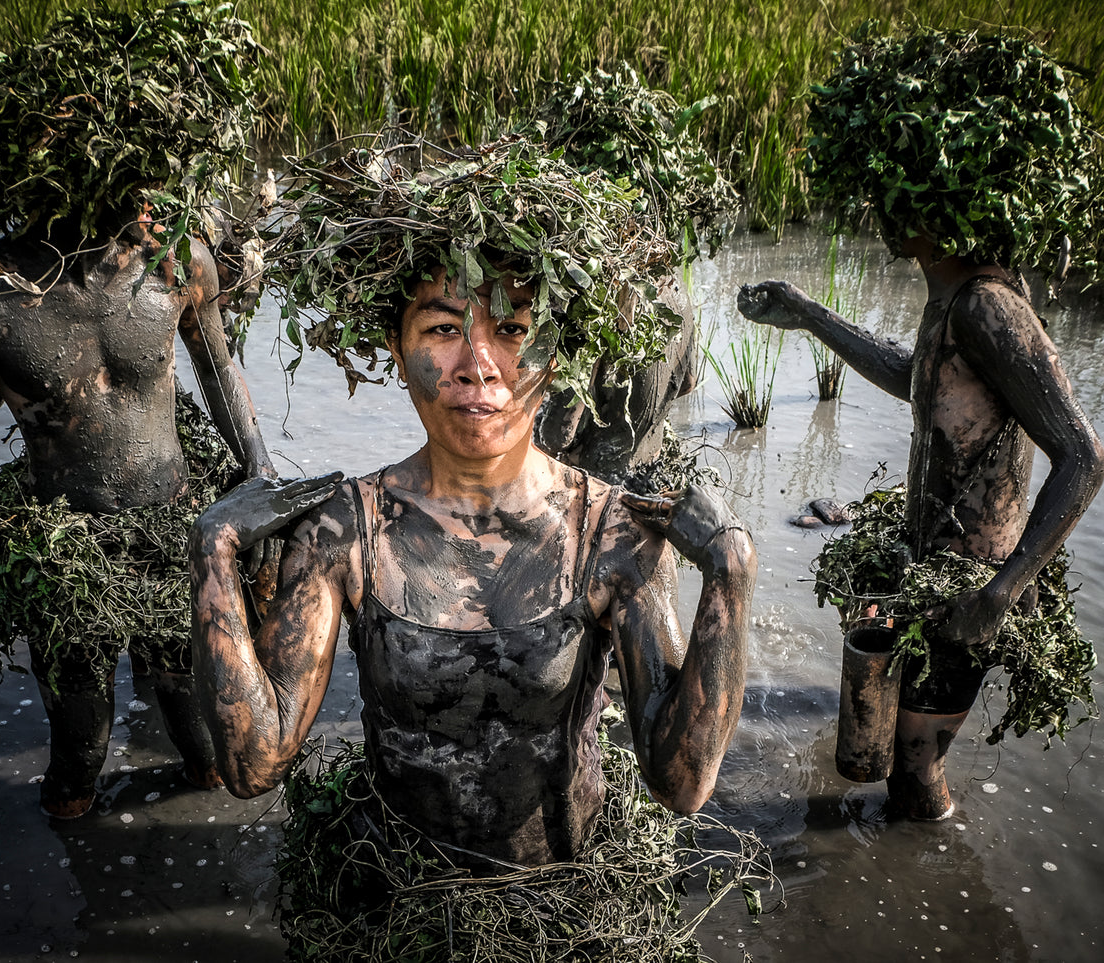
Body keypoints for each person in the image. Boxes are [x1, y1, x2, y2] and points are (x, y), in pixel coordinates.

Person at [189, 138, 757, 868]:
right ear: (397, 349)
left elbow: (680, 783)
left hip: (560, 904)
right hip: (397, 894)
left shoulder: (612, 532)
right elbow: (253, 765)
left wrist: (731, 571)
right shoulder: (345, 529)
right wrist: (211, 552)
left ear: (552, 357)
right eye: (443, 329)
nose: (478, 365)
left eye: (511, 330)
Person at [738, 28, 1104, 820]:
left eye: (885, 190)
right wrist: (807, 316)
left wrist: (1001, 594)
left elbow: (1083, 457)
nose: (873, 205)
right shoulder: (950, 298)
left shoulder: (987, 306)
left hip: (966, 587)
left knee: (913, 776)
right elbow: (915, 378)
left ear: (926, 197)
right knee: (876, 753)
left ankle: (942, 901)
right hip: (925, 571)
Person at [0, 4, 272, 818]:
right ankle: (62, 905)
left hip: (176, 529)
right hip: (61, 546)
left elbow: (222, 379)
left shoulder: (176, 259)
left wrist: (262, 494)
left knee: (203, 737)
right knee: (79, 744)